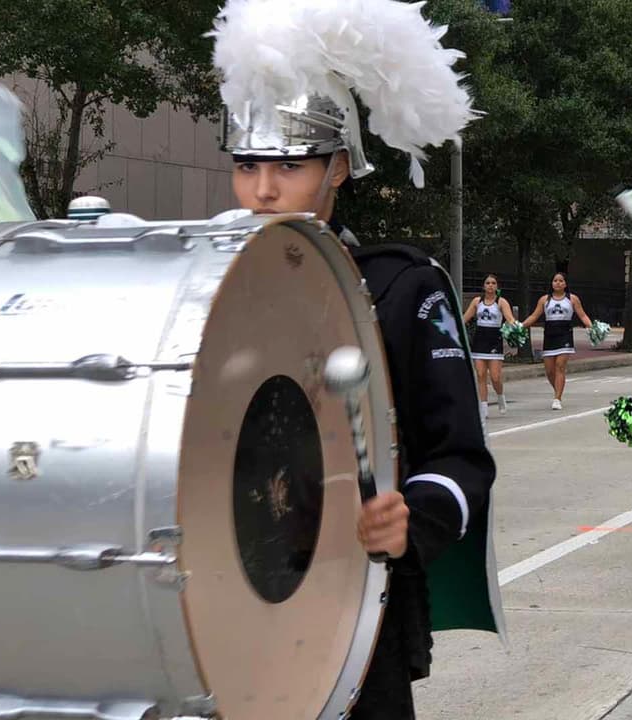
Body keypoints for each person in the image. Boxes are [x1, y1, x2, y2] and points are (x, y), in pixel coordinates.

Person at [212, 1, 499, 716]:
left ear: (339, 166)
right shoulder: (205, 286)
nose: (265, 189)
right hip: (222, 602)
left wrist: (414, 516)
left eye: (291, 163)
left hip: (351, 611)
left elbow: (462, 457)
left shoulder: (401, 287)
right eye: (247, 165)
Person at [520, 272, 594, 410]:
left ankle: (557, 398)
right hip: (549, 335)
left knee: (560, 366)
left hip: (565, 334)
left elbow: (582, 315)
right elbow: (534, 316)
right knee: (549, 370)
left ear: (565, 284)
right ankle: (558, 390)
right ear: (552, 283)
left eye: (561, 281)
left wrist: (592, 327)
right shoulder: (544, 300)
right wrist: (520, 326)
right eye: (555, 280)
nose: (558, 283)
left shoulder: (572, 299)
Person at [463, 274, 517, 421]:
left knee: (495, 377)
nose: (490, 285)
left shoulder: (501, 302)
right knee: (480, 375)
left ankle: (500, 396)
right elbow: (465, 318)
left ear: (497, 286)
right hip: (480, 341)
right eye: (488, 283)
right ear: (484, 286)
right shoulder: (477, 302)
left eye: (493, 283)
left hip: (494, 340)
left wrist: (515, 327)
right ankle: (484, 407)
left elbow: (510, 318)